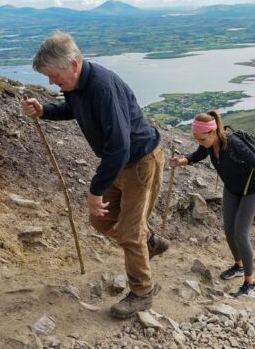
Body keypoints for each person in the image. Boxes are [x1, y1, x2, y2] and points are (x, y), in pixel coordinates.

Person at [20, 31, 169, 319]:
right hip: (120, 163)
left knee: (128, 231)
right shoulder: (77, 86)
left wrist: (95, 190)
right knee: (100, 220)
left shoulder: (102, 87)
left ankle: (143, 291)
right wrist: (44, 111)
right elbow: (74, 109)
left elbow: (120, 146)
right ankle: (147, 242)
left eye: (54, 76)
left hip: (140, 162)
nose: (52, 82)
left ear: (73, 64)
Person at [169, 110, 255, 297]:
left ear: (212, 132)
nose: (200, 143)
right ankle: (238, 265)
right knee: (228, 231)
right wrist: (180, 162)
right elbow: (197, 155)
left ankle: (250, 283)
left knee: (241, 234)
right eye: (197, 139)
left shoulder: (234, 145)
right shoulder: (208, 145)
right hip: (232, 189)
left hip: (252, 190)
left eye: (201, 139)